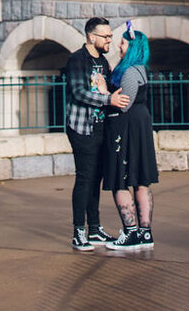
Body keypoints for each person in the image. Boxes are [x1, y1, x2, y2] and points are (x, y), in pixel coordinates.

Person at [63, 16, 128, 252]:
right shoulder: (77, 60)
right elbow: (79, 92)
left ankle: (95, 228)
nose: (110, 39)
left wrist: (109, 92)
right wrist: (107, 98)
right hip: (82, 128)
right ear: (92, 37)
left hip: (101, 128)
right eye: (106, 36)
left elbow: (107, 88)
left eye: (111, 36)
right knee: (85, 178)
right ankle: (79, 231)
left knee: (96, 179)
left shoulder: (103, 61)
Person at [103, 23, 159, 250]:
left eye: (124, 42)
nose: (119, 45)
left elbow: (122, 103)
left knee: (121, 180)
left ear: (133, 47)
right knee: (141, 181)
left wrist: (103, 92)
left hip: (126, 127)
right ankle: (145, 234)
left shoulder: (129, 71)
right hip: (139, 125)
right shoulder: (140, 69)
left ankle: (131, 233)